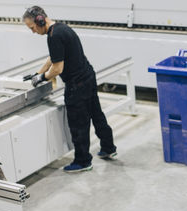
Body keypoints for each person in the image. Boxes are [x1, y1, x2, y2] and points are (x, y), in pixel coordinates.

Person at [23, 6, 117, 173]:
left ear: (40, 21)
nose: (33, 32)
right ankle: (109, 147)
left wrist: (42, 78)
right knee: (97, 115)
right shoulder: (61, 28)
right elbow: (53, 57)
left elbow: (57, 68)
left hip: (77, 85)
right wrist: (36, 73)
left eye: (32, 28)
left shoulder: (53, 36)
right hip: (88, 76)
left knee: (78, 124)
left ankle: (83, 161)